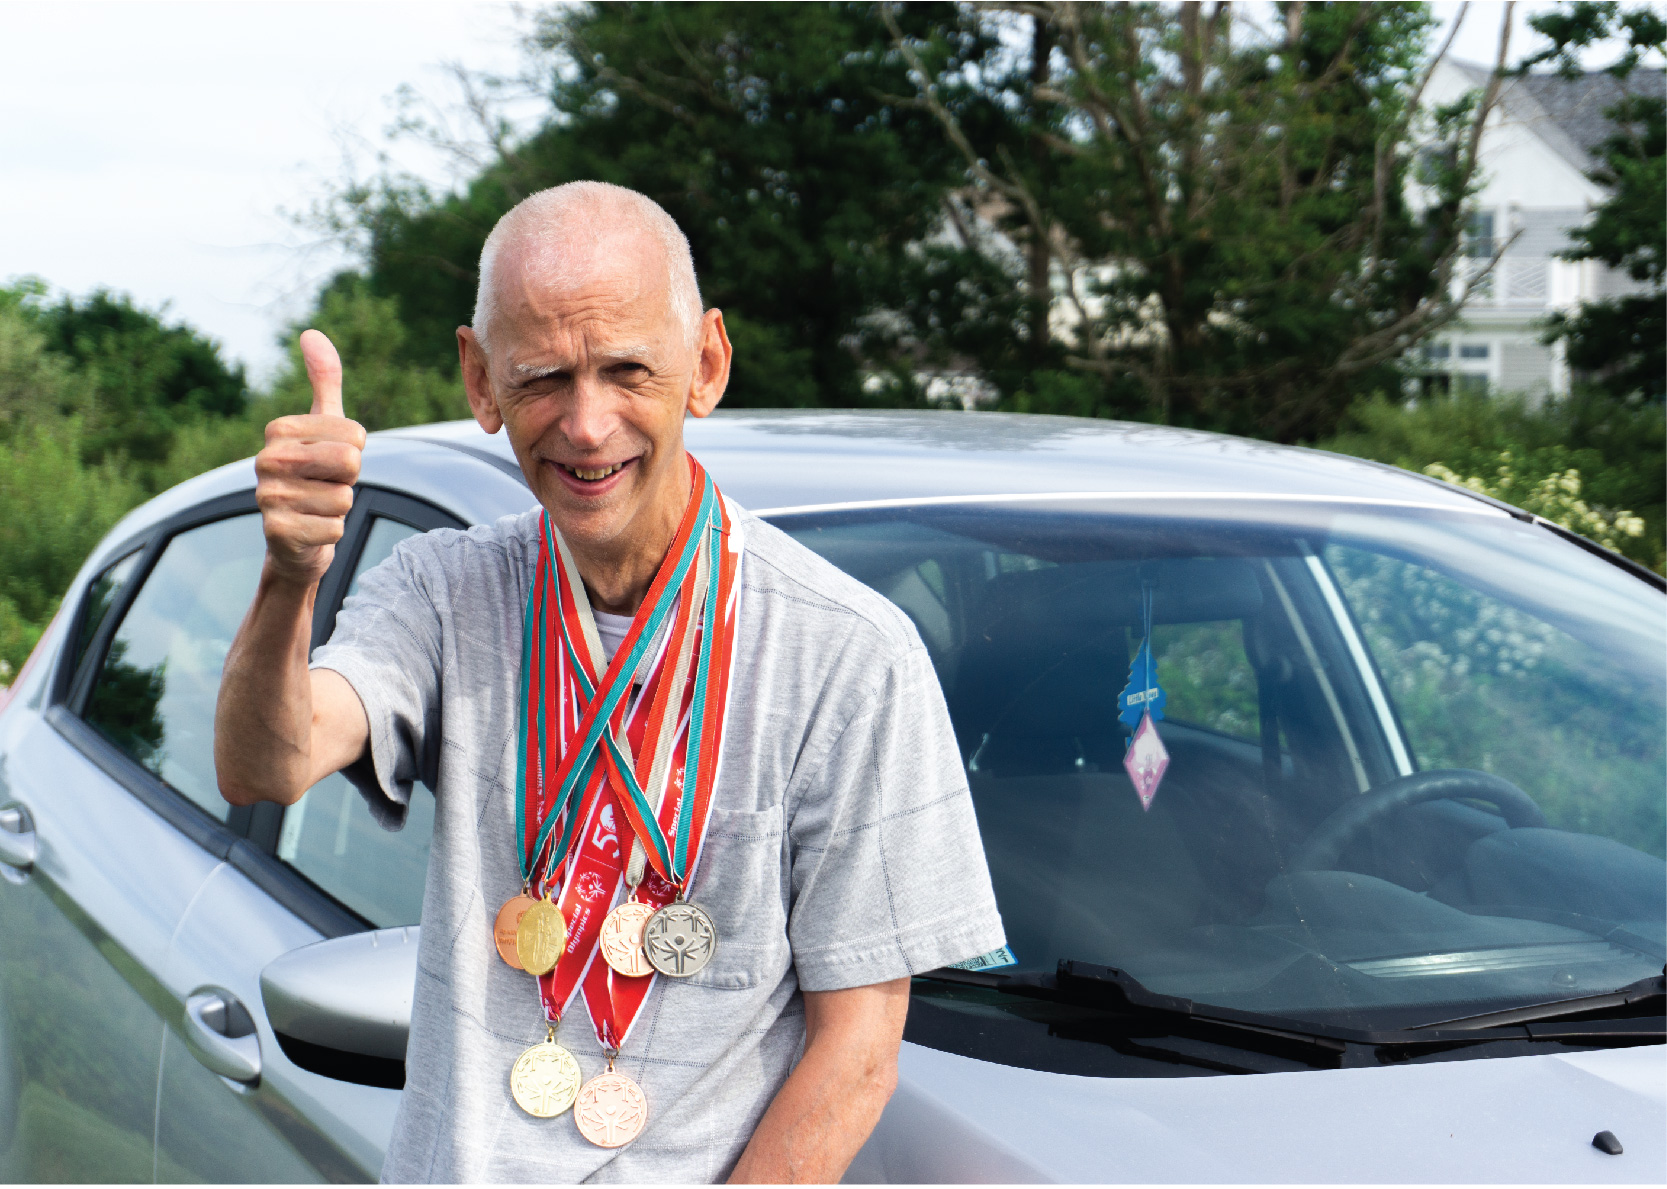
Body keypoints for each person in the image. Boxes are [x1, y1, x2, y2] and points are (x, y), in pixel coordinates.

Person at [214, 181, 1004, 1183]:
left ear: (704, 364)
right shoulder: (443, 592)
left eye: (626, 369)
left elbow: (857, 1049)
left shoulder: (848, 653)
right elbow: (265, 765)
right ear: (479, 379)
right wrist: (289, 575)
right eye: (542, 377)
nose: (586, 426)